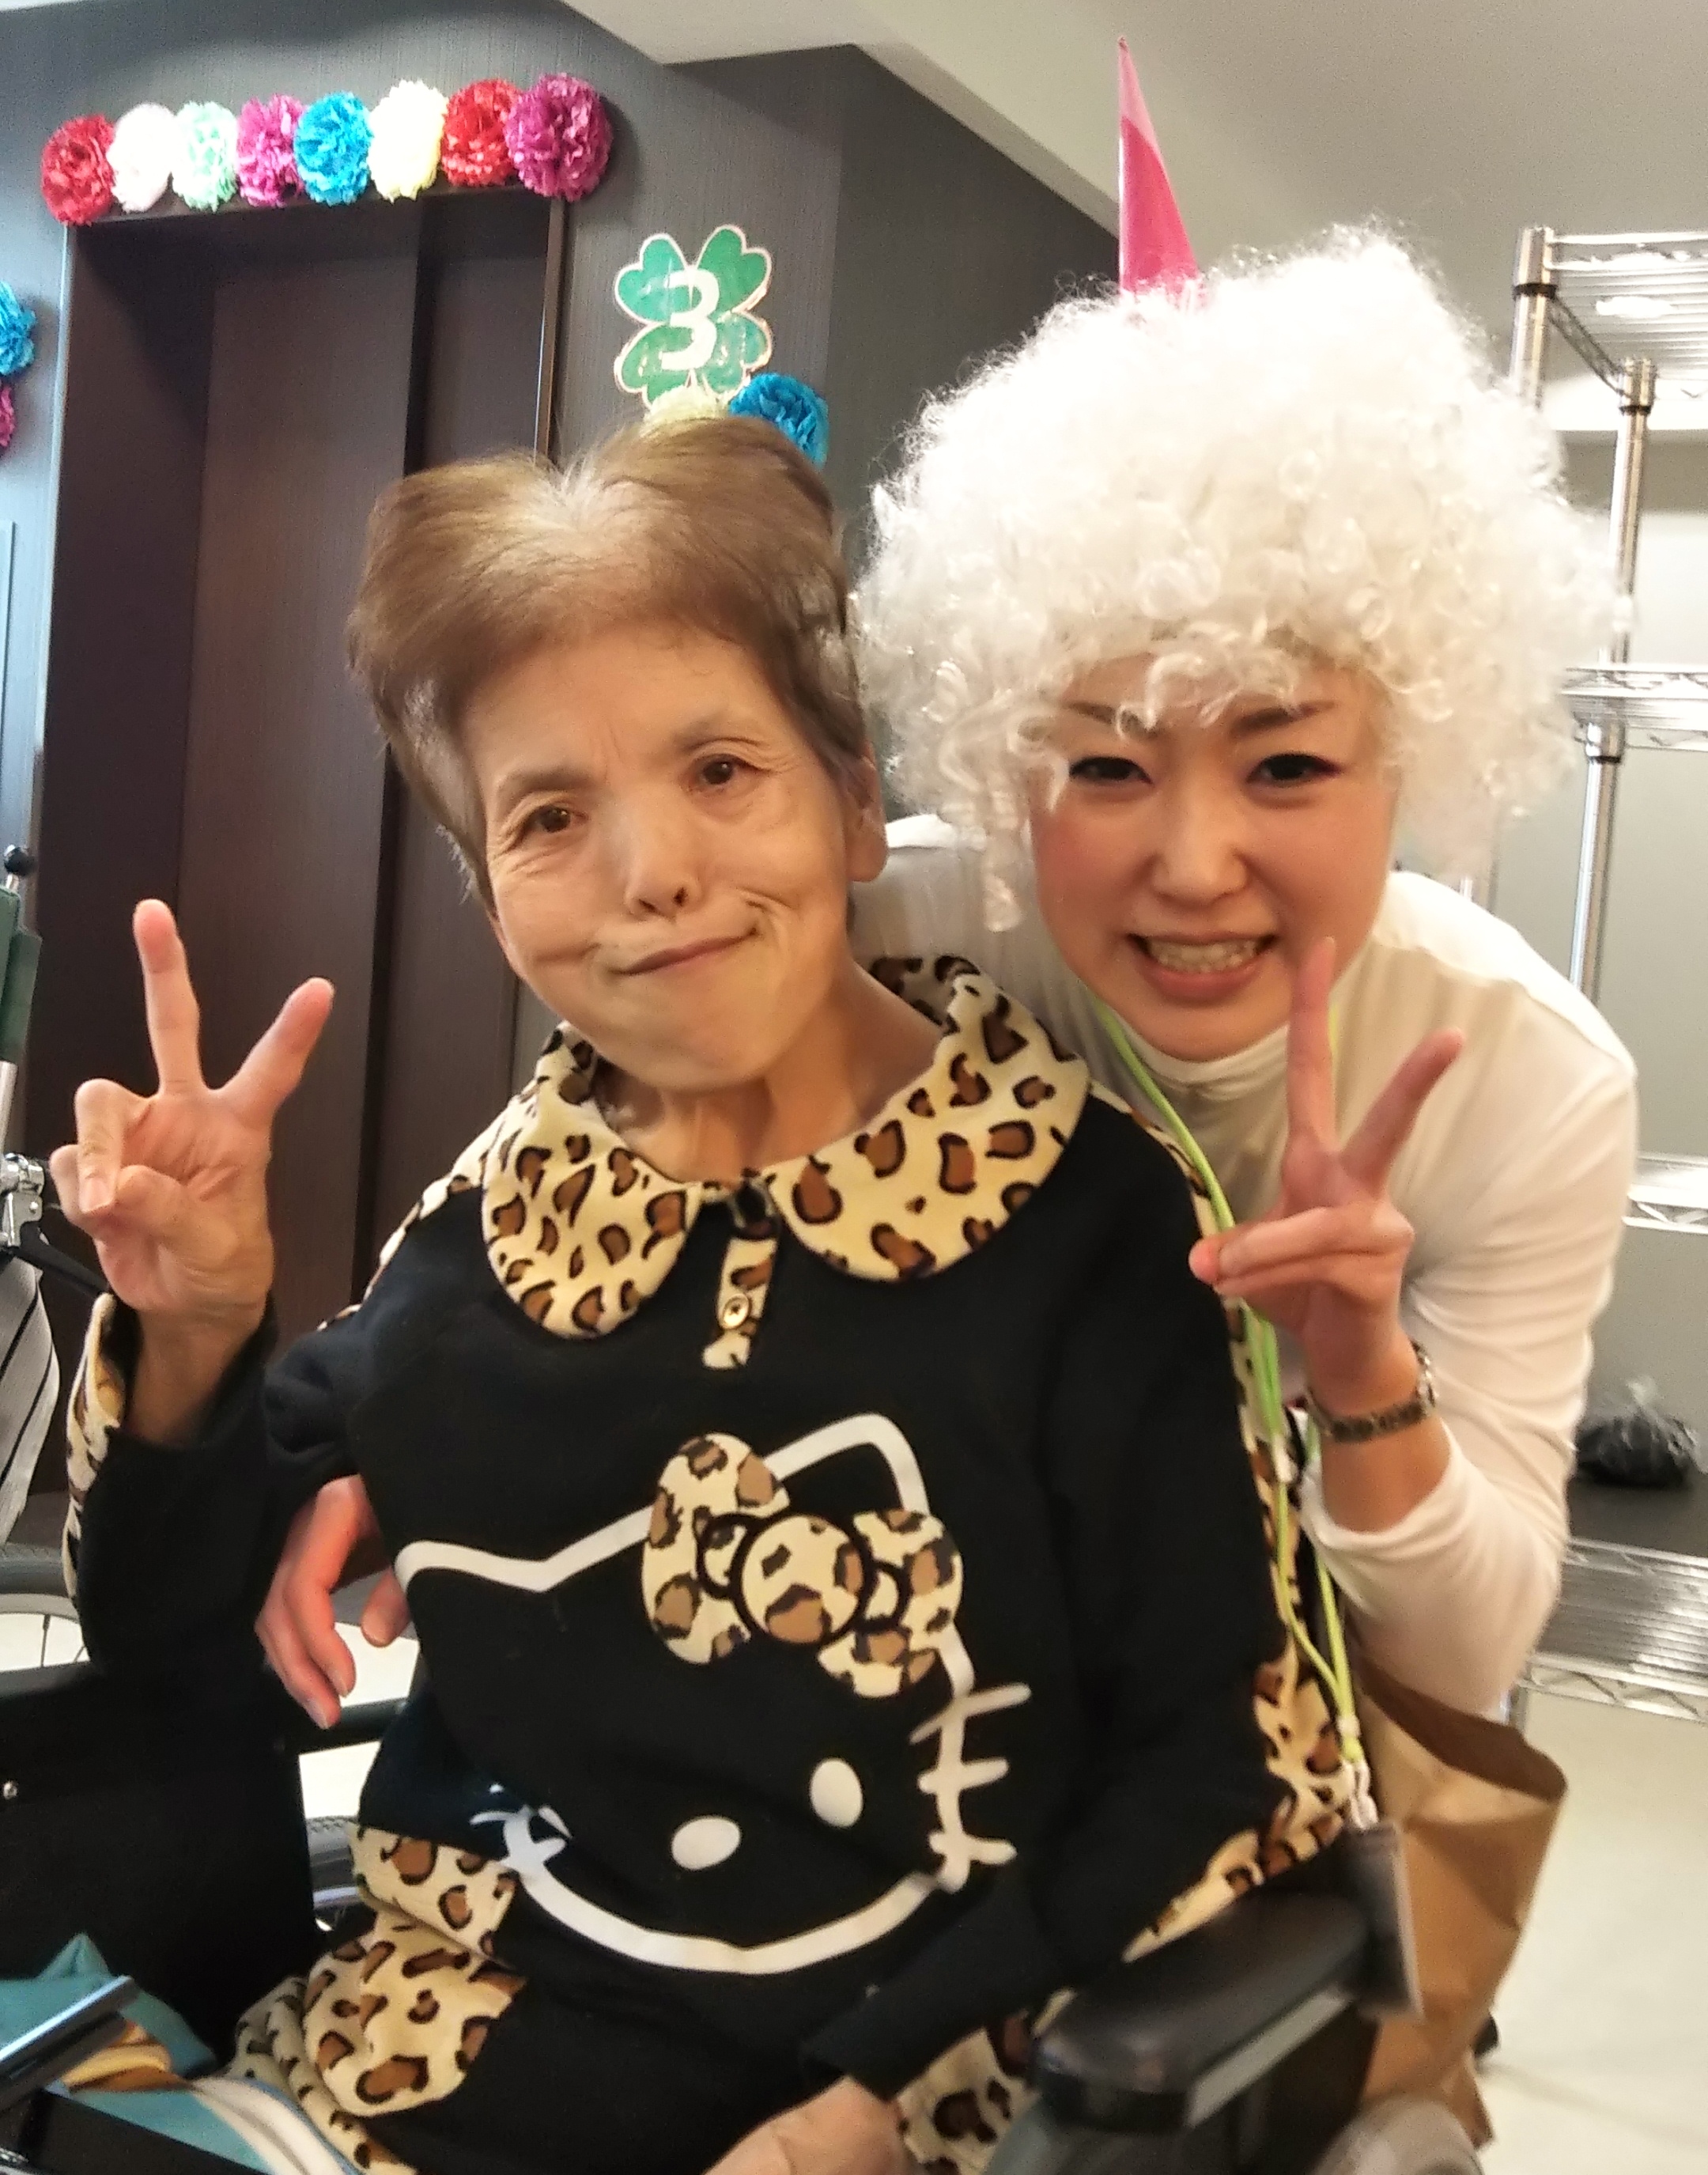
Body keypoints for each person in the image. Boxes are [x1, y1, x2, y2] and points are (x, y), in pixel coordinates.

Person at [54, 418, 1295, 2175]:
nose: (652, 873)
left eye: (720, 768)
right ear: (492, 897)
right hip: (409, 2077)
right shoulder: (493, 1232)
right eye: (550, 817)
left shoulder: (1083, 1222)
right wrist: (198, 1324)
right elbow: (164, 1648)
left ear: (853, 801)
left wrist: (855, 2116)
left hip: (918, 2099)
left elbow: (1214, 1767)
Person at [265, 234, 1634, 1724]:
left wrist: (1364, 1371)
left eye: (1287, 764)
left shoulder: (1522, 1079)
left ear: (1411, 754)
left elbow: (1464, 1661)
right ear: (1008, 760)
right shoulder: (892, 928)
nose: (1195, 865)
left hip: (1274, 1761)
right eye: (1105, 766)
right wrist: (415, 1430)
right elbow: (573, 1168)